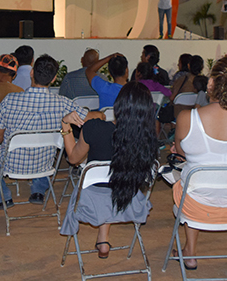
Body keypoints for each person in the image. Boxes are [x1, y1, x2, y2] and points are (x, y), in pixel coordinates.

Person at [170, 57, 227, 271]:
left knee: (189, 180)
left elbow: (182, 152)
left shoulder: (187, 118)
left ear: (210, 84)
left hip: (195, 206)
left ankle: (190, 253)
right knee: (209, 179)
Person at [0, 54, 90, 208]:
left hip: (10, 164)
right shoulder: (63, 103)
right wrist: (101, 114)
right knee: (44, 149)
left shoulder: (9, 100)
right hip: (44, 166)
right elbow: (88, 117)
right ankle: (38, 191)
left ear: (31, 72)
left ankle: (3, 196)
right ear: (54, 79)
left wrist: (1, 143)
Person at [59, 82, 159, 258]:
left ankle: (103, 239)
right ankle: (103, 239)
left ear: (118, 105)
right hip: (128, 199)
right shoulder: (148, 136)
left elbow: (73, 159)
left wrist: (65, 124)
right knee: (113, 178)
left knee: (104, 183)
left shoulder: (94, 128)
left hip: (92, 201)